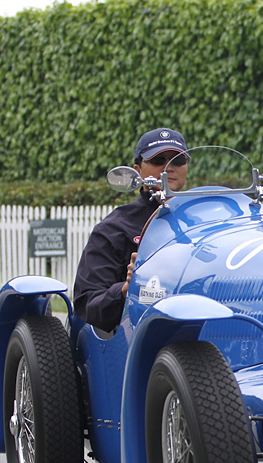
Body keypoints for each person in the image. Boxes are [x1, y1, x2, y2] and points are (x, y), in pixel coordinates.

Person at [73, 127, 189, 332]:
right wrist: (125, 290)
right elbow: (87, 303)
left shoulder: (200, 220)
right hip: (135, 333)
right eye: (158, 160)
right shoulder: (114, 228)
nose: (169, 167)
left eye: (177, 160)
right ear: (138, 169)